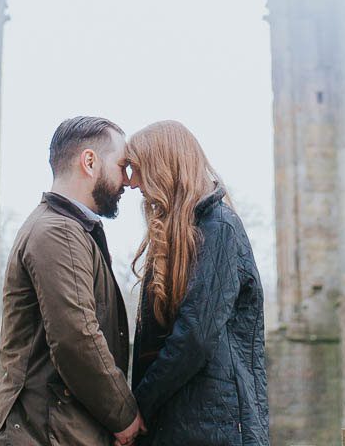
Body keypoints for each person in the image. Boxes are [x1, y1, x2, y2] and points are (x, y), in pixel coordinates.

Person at [0, 116, 148, 446]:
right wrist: (124, 415)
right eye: (122, 165)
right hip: (39, 432)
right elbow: (77, 337)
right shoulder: (60, 233)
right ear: (89, 161)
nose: (127, 181)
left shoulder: (68, 230)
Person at [125, 120, 270, 446]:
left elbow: (195, 336)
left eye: (138, 169)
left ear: (164, 166)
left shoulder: (219, 227)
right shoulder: (181, 234)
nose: (132, 183)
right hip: (181, 424)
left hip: (216, 426)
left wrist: (140, 407)